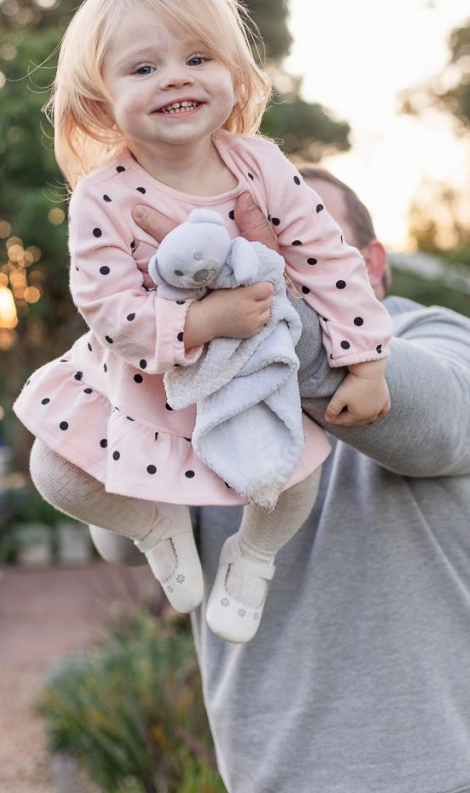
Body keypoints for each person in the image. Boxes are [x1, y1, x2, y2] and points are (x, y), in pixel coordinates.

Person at [14, 0, 391, 643]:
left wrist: (364, 361)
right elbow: (103, 303)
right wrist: (198, 319)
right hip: (142, 371)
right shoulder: (104, 193)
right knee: (53, 467)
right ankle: (154, 527)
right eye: (143, 67)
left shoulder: (262, 165)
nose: (174, 79)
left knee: (292, 476)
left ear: (233, 74)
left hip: (248, 369)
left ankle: (251, 557)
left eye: (196, 58)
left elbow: (325, 256)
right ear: (102, 101)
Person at [93, 169, 470, 793]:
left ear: (370, 265)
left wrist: (263, 312)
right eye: (239, 232)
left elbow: (439, 427)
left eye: (300, 235)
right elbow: (115, 542)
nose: (256, 252)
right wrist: (137, 344)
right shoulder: (192, 375)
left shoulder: (437, 334)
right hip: (267, 775)